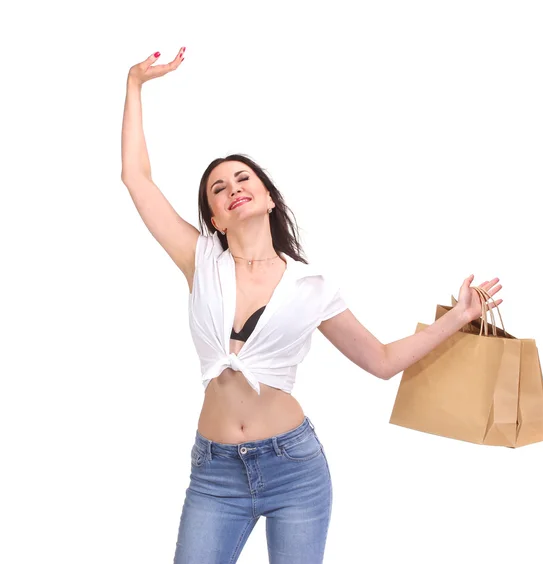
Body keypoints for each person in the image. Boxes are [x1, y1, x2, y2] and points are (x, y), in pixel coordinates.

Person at [121, 49, 504, 564]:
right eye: (219, 188)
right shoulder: (200, 260)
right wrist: (135, 84)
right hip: (214, 473)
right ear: (214, 218)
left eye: (243, 180)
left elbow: (382, 362)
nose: (233, 189)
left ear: (268, 198)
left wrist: (458, 318)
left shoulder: (310, 286)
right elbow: (136, 178)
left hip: (294, 469)